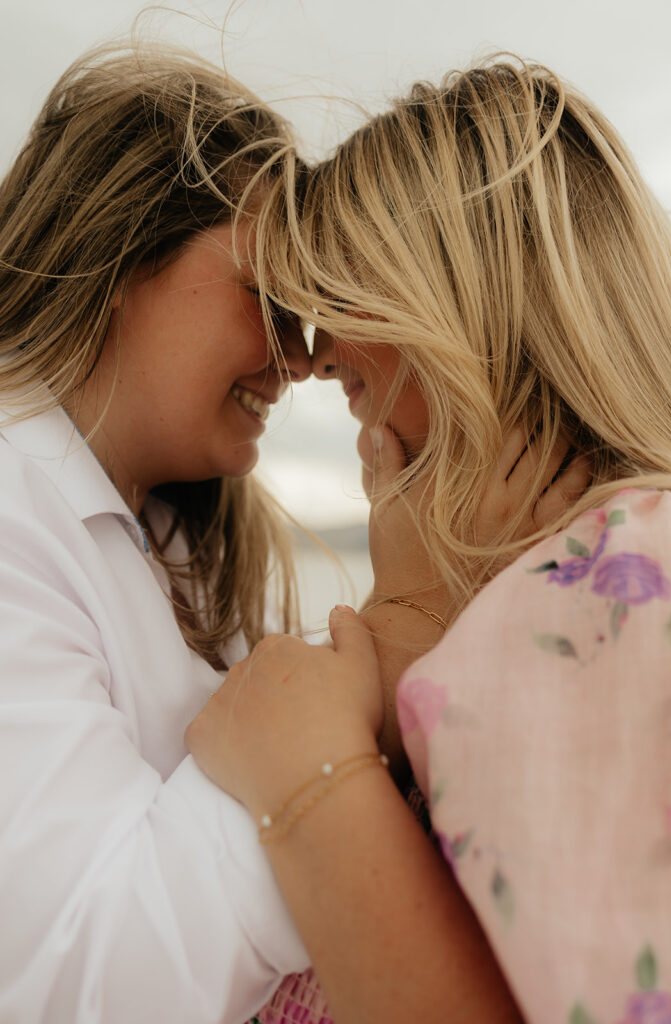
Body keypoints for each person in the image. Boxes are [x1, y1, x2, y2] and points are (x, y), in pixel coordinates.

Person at [185, 57, 671, 1023]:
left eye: (351, 288)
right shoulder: (580, 582)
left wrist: (308, 774)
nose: (317, 352)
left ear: (466, 303)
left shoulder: (612, 593)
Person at [0, 43, 317, 1023]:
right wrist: (311, 763)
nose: (299, 355)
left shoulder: (180, 537)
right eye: (268, 295)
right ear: (121, 254)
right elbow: (81, 975)